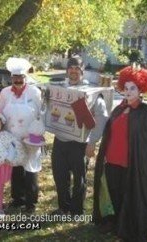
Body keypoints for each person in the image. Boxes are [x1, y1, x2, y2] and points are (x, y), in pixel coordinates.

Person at [93, 65, 147, 241]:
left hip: (130, 163)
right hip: (112, 161)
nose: (128, 92)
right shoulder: (119, 109)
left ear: (141, 90)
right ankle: (113, 222)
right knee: (113, 194)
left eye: (133, 88)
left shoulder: (146, 113)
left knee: (128, 195)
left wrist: (142, 163)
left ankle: (127, 226)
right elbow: (110, 134)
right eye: (126, 88)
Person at [51, 56, 108, 216]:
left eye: (77, 68)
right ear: (67, 70)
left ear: (82, 71)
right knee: (60, 176)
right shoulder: (60, 89)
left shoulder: (92, 92)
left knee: (79, 178)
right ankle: (63, 207)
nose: (73, 71)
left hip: (80, 142)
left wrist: (92, 142)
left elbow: (102, 117)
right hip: (60, 139)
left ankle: (76, 210)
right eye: (71, 68)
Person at [0, 57, 42, 213]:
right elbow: (0, 113)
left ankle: (31, 202)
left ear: (26, 78)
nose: (18, 80)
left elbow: (41, 113)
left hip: (32, 137)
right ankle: (17, 199)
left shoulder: (35, 92)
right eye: (15, 78)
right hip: (12, 136)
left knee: (31, 169)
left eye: (21, 77)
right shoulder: (4, 93)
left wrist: (37, 132)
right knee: (16, 167)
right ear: (11, 78)